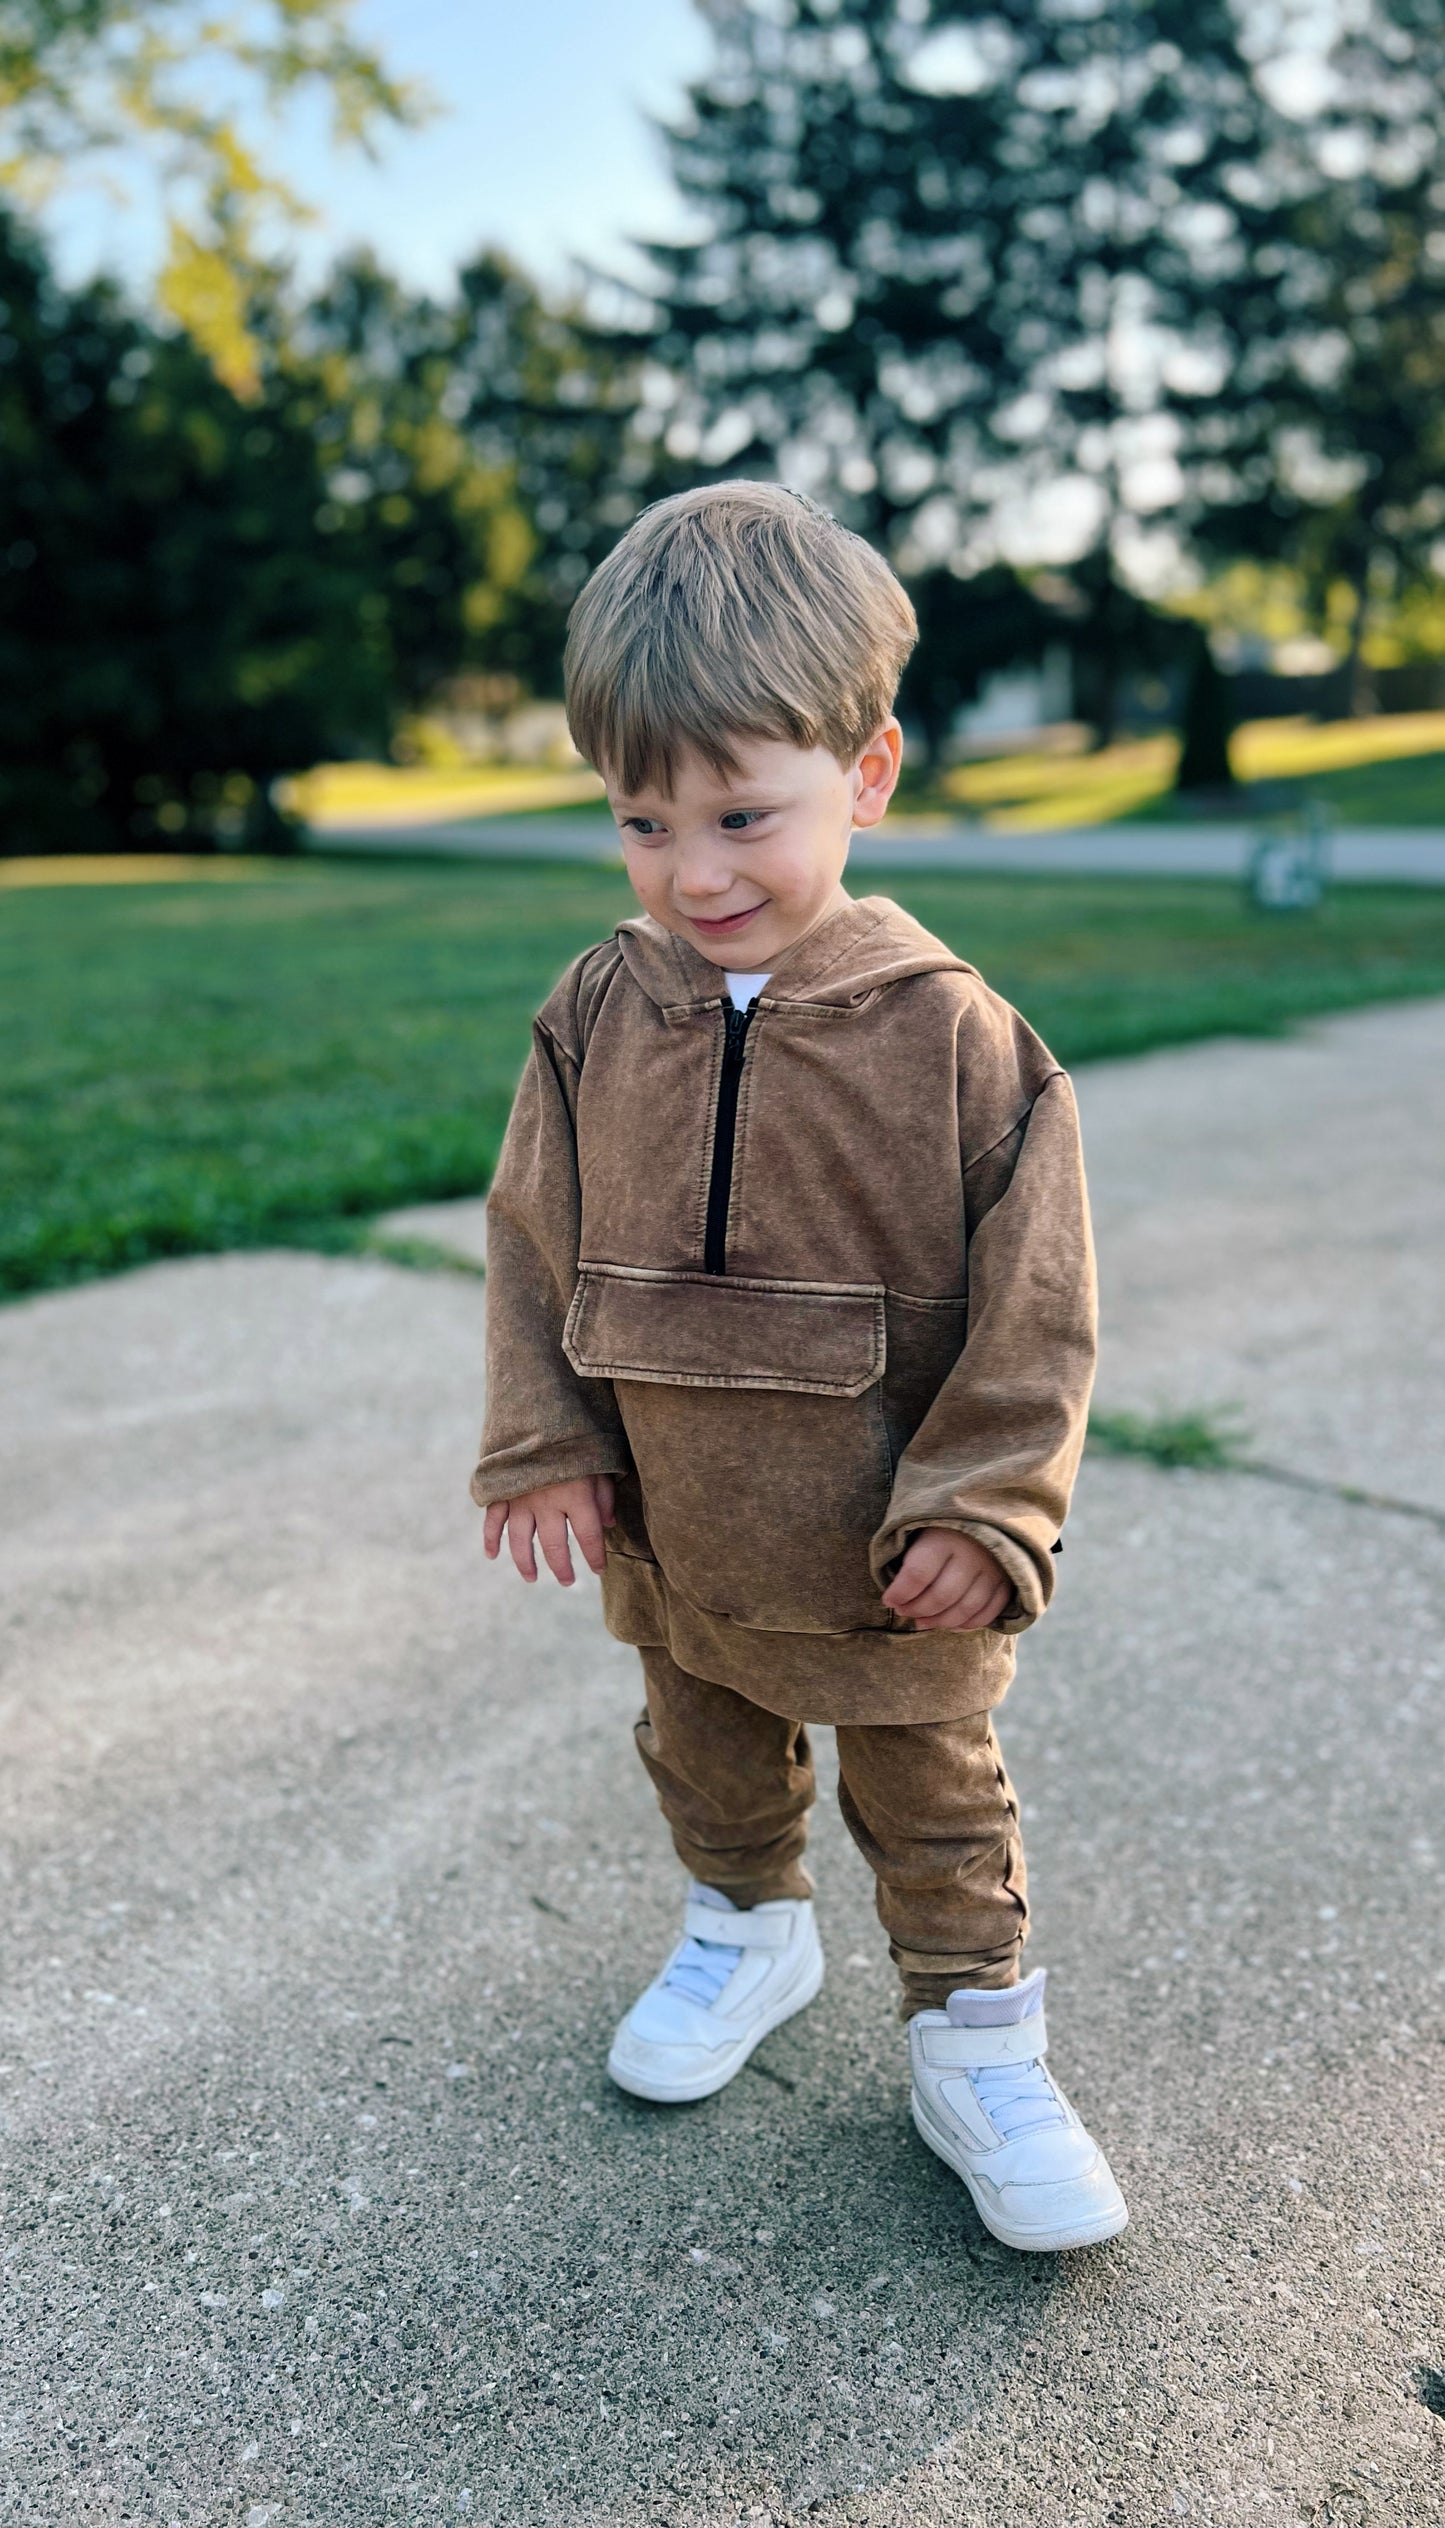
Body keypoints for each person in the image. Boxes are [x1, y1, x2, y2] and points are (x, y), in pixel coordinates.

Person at [471, 482, 1127, 2254]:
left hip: (883, 1550)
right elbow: (530, 1237)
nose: (695, 873)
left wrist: (989, 1508)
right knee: (704, 1747)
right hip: (679, 1527)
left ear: (871, 771)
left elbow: (1038, 1307)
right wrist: (541, 1438)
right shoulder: (597, 1012)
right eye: (640, 821)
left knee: (930, 1798)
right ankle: (744, 1928)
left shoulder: (957, 1039)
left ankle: (975, 2035)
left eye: (742, 813)